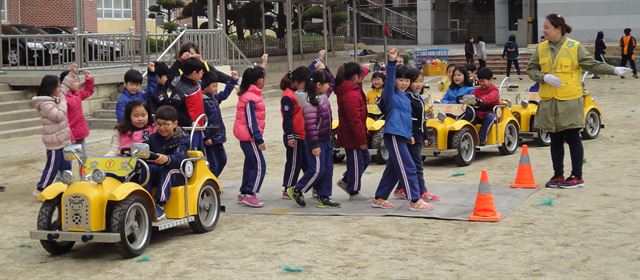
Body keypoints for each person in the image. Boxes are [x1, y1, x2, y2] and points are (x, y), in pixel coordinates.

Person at [527, 13, 631, 189]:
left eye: (547, 27)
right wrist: (544, 77)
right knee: (555, 138)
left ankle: (577, 176)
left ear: (558, 29)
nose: (543, 31)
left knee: (573, 137)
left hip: (569, 101)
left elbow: (593, 64)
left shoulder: (574, 47)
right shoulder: (541, 48)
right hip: (549, 101)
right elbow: (531, 70)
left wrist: (613, 70)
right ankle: (558, 175)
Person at [371, 48, 433, 212]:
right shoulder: (390, 94)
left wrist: (410, 135)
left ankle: (379, 198)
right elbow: (390, 80)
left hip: (403, 135)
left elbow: (407, 119)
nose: (404, 83)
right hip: (393, 135)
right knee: (409, 167)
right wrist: (392, 63)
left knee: (393, 169)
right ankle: (414, 199)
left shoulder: (406, 98)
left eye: (407, 80)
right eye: (401, 79)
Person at [287, 70, 341, 209]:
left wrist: (324, 67)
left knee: (328, 169)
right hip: (315, 141)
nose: (328, 86)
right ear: (318, 85)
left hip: (326, 138)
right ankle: (297, 189)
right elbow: (311, 126)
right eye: (325, 83)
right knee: (317, 169)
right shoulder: (310, 102)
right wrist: (315, 144)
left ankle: (324, 197)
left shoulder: (323, 95)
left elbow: (333, 82)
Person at [392, 68, 440, 202]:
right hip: (410, 137)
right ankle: (421, 191)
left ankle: (400, 189)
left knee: (408, 164)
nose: (418, 85)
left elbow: (422, 119)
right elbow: (408, 120)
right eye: (415, 82)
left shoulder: (417, 97)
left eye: (421, 81)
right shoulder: (407, 98)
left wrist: (424, 136)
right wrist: (410, 135)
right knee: (416, 166)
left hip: (418, 136)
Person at [144, 105, 189, 219]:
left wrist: (167, 159)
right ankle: (143, 199)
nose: (162, 128)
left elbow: (179, 158)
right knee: (147, 168)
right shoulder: (153, 138)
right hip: (159, 168)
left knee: (167, 170)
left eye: (166, 124)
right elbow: (145, 149)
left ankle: (160, 204)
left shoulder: (182, 139)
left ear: (174, 124)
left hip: (180, 171)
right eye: (158, 124)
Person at [334, 62, 371, 201]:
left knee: (366, 159)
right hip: (353, 137)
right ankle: (354, 191)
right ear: (355, 77)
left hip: (355, 134)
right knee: (357, 163)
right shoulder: (350, 95)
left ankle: (346, 181)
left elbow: (361, 74)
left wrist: (366, 68)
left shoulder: (351, 87)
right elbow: (354, 121)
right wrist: (361, 141)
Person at [32, 75, 72, 197]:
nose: (60, 88)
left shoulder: (55, 97)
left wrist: (72, 73)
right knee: (52, 166)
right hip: (54, 141)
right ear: (52, 88)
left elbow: (65, 87)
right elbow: (58, 116)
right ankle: (41, 188)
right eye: (58, 86)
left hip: (62, 139)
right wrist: (63, 101)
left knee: (66, 164)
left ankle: (66, 185)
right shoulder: (45, 103)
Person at [233, 65, 267, 207]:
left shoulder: (251, 94)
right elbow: (251, 121)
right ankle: (250, 193)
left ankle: (244, 192)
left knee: (250, 164)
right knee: (260, 165)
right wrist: (259, 139)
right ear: (258, 80)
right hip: (250, 137)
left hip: (248, 137)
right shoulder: (250, 98)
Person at [279, 66, 311, 199]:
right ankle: (288, 187)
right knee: (294, 163)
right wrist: (290, 135)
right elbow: (287, 118)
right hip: (294, 135)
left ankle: (311, 185)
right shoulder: (288, 96)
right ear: (298, 81)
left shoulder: (299, 92)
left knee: (306, 162)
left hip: (303, 133)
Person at [202, 71, 236, 177]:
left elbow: (224, 95)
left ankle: (213, 181)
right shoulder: (202, 101)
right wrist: (206, 137)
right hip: (210, 139)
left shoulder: (213, 98)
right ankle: (210, 184)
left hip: (218, 137)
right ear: (205, 86)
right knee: (213, 164)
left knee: (223, 160)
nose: (216, 88)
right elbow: (202, 121)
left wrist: (232, 81)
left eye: (216, 86)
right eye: (213, 86)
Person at [60, 63, 94, 160]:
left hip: (80, 132)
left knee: (84, 159)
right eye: (75, 81)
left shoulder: (77, 95)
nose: (78, 83)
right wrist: (70, 137)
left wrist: (88, 79)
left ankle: (84, 175)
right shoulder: (63, 98)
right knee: (67, 160)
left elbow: (88, 91)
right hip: (69, 135)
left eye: (78, 81)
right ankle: (64, 174)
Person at [470, 68, 500, 146]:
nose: (481, 83)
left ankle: (481, 139)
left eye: (483, 81)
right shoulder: (477, 90)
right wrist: (468, 99)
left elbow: (491, 97)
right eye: (479, 81)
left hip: (491, 113)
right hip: (479, 113)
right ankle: (466, 135)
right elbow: (472, 96)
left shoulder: (494, 90)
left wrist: (482, 100)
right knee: (469, 117)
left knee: (489, 117)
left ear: (490, 80)